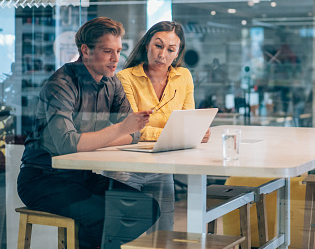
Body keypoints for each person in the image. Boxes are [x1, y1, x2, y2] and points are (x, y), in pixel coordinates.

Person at [17, 17, 160, 249]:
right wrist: (120, 129)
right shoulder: (60, 85)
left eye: (118, 51)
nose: (116, 59)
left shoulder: (112, 83)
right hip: (42, 179)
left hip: (81, 176)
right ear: (85, 50)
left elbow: (135, 134)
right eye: (107, 51)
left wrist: (102, 137)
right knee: (103, 218)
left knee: (148, 208)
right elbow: (69, 144)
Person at [106, 21, 209, 232]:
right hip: (127, 165)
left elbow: (188, 123)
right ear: (147, 45)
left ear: (177, 53)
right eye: (158, 46)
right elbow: (133, 130)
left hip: (163, 165)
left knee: (164, 232)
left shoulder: (184, 77)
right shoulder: (125, 78)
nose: (163, 54)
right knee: (125, 232)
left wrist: (195, 133)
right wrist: (181, 135)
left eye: (171, 49)